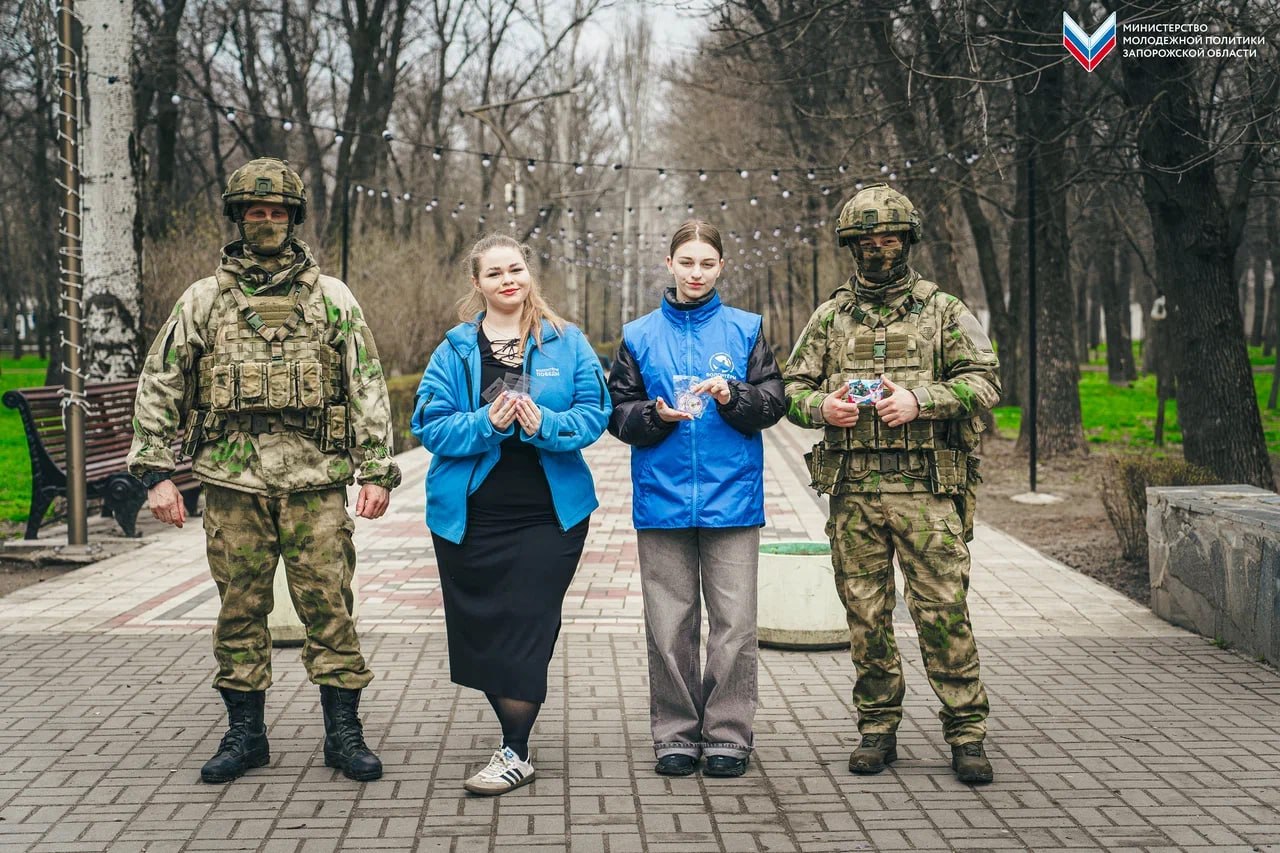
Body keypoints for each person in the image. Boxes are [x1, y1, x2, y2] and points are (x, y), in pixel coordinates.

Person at [128, 157, 401, 785]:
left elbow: (364, 382)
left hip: (315, 483)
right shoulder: (204, 299)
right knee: (239, 611)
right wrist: (155, 472)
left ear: (294, 218)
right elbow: (162, 380)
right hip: (232, 485)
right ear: (238, 217)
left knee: (330, 608)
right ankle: (245, 735)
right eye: (256, 211)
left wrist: (377, 470)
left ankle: (343, 734)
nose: (268, 222)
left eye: (278, 212)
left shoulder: (331, 298)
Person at [783, 183, 1000, 784]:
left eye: (890, 238)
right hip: (854, 494)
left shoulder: (943, 311)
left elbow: (985, 382)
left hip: (927, 493)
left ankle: (966, 731)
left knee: (942, 612)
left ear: (908, 240)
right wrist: (822, 409)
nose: (879, 248)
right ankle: (877, 727)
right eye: (867, 240)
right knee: (866, 616)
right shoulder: (831, 317)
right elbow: (792, 389)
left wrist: (921, 400)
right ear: (851, 246)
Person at [411, 234, 610, 796]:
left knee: (529, 618)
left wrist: (542, 423)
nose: (507, 280)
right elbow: (428, 426)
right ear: (477, 284)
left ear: (529, 276)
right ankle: (513, 737)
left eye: (515, 270)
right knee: (484, 627)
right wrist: (488, 424)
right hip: (470, 517)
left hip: (550, 514)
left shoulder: (565, 342)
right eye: (494, 273)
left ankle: (515, 751)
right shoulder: (454, 349)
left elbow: (595, 415)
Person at [608, 220, 786, 778]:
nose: (696, 273)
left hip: (732, 497)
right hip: (661, 499)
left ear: (721, 267)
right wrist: (653, 415)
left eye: (707, 263)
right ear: (669, 264)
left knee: (734, 622)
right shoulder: (637, 335)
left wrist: (734, 394)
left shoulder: (746, 329)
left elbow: (774, 401)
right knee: (669, 624)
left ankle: (729, 734)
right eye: (687, 262)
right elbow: (616, 413)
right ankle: (676, 734)